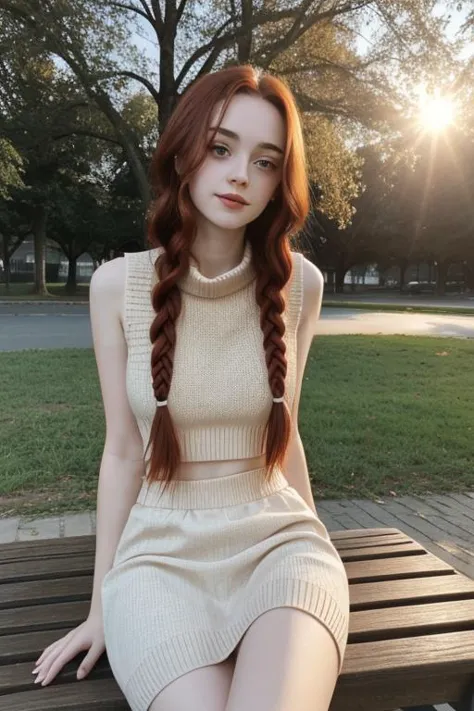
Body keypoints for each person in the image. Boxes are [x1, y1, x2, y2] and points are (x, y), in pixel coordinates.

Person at [31, 64, 350, 711]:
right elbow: (123, 452)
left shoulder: (301, 286)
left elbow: (286, 439)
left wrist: (316, 542)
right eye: (222, 147)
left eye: (265, 162)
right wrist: (100, 606)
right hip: (160, 560)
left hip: (278, 546)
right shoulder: (116, 289)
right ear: (182, 153)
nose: (240, 174)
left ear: (279, 181)